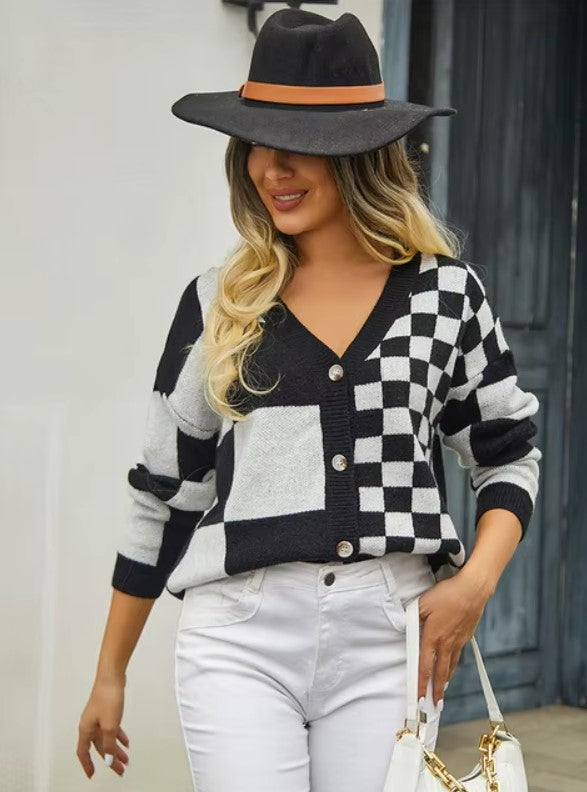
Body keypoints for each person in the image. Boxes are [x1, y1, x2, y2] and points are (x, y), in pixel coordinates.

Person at [76, 9, 541, 791]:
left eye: (301, 146)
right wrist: (109, 673)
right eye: (258, 143)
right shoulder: (219, 302)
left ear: (360, 156)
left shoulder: (444, 296)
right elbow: (164, 493)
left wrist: (473, 584)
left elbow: (508, 455)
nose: (272, 169)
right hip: (240, 638)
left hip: (388, 638)